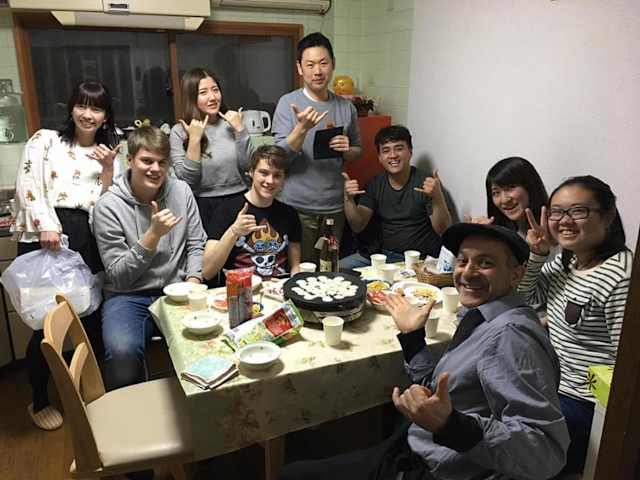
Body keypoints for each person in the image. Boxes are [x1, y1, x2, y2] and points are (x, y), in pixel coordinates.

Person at [279, 223, 569, 480]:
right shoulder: (485, 314)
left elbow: (545, 452)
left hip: (433, 468)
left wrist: (451, 424)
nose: (468, 272)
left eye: (486, 263)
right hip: (414, 443)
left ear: (516, 274)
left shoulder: (510, 337)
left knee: (292, 475)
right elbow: (446, 390)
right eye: (463, 260)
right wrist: (413, 337)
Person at [11, 80, 122, 431]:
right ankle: (39, 398)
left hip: (88, 240)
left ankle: (89, 390)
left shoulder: (109, 154)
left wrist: (109, 170)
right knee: (47, 325)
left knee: (89, 320)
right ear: (71, 108)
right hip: (47, 237)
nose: (88, 114)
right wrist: (47, 226)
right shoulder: (45, 140)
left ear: (106, 116)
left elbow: (108, 206)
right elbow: (28, 185)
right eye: (82, 105)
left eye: (97, 108)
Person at [518, 175, 632, 474]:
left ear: (608, 216)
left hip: (585, 401)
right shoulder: (566, 261)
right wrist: (537, 254)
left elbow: (626, 363)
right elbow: (527, 297)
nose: (564, 221)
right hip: (554, 381)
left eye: (578, 211)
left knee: (516, 445)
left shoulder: (620, 276)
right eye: (557, 212)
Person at [93, 126, 206, 391]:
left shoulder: (181, 192)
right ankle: (128, 406)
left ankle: (199, 403)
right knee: (122, 353)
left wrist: (193, 281)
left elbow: (196, 244)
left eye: (162, 162)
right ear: (130, 160)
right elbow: (118, 276)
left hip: (177, 290)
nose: (155, 169)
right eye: (147, 160)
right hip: (128, 295)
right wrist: (152, 236)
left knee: (208, 342)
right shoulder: (108, 206)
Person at [272, 32, 362, 262]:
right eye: (310, 65)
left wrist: (347, 149)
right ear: (300, 68)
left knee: (329, 269)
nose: (318, 71)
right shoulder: (287, 103)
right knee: (299, 271)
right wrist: (302, 128)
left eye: (323, 63)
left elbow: (357, 151)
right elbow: (278, 158)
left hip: (334, 207)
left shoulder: (346, 107)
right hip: (296, 206)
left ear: (333, 64)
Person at [340, 125, 451, 269]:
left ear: (410, 151)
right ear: (380, 157)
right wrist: (348, 199)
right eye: (386, 150)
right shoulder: (375, 183)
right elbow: (358, 225)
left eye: (399, 148)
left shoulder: (426, 183)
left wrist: (437, 197)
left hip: (418, 260)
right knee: (338, 268)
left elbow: (443, 230)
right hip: (380, 256)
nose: (393, 155)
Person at [169, 67, 253, 236]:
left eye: (215, 90)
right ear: (192, 97)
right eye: (203, 92)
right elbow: (188, 181)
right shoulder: (179, 131)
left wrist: (240, 130)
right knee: (209, 252)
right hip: (202, 205)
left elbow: (249, 167)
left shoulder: (232, 123)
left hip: (239, 200)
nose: (213, 97)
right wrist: (194, 140)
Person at [203, 145, 301, 281]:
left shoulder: (289, 214)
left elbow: (295, 267)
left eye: (277, 175)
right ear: (251, 172)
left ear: (284, 179)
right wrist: (233, 232)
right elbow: (207, 272)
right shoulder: (226, 211)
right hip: (238, 289)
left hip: (277, 288)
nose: (270, 181)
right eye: (264, 173)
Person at [467, 157, 548, 238]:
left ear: (530, 186)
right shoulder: (502, 235)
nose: (504, 200)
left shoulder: (553, 226)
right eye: (496, 193)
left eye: (511, 187)